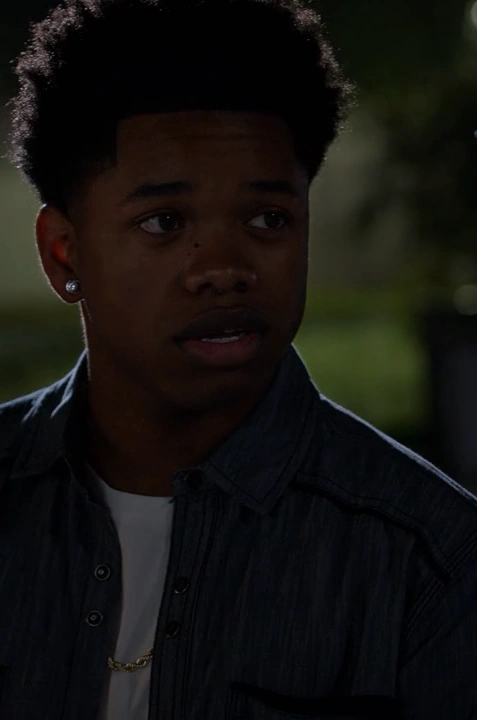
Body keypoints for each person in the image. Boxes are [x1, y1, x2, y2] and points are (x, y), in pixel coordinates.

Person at [1, 0, 477, 718]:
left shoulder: (429, 557)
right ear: (64, 254)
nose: (223, 268)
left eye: (267, 218)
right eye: (164, 222)